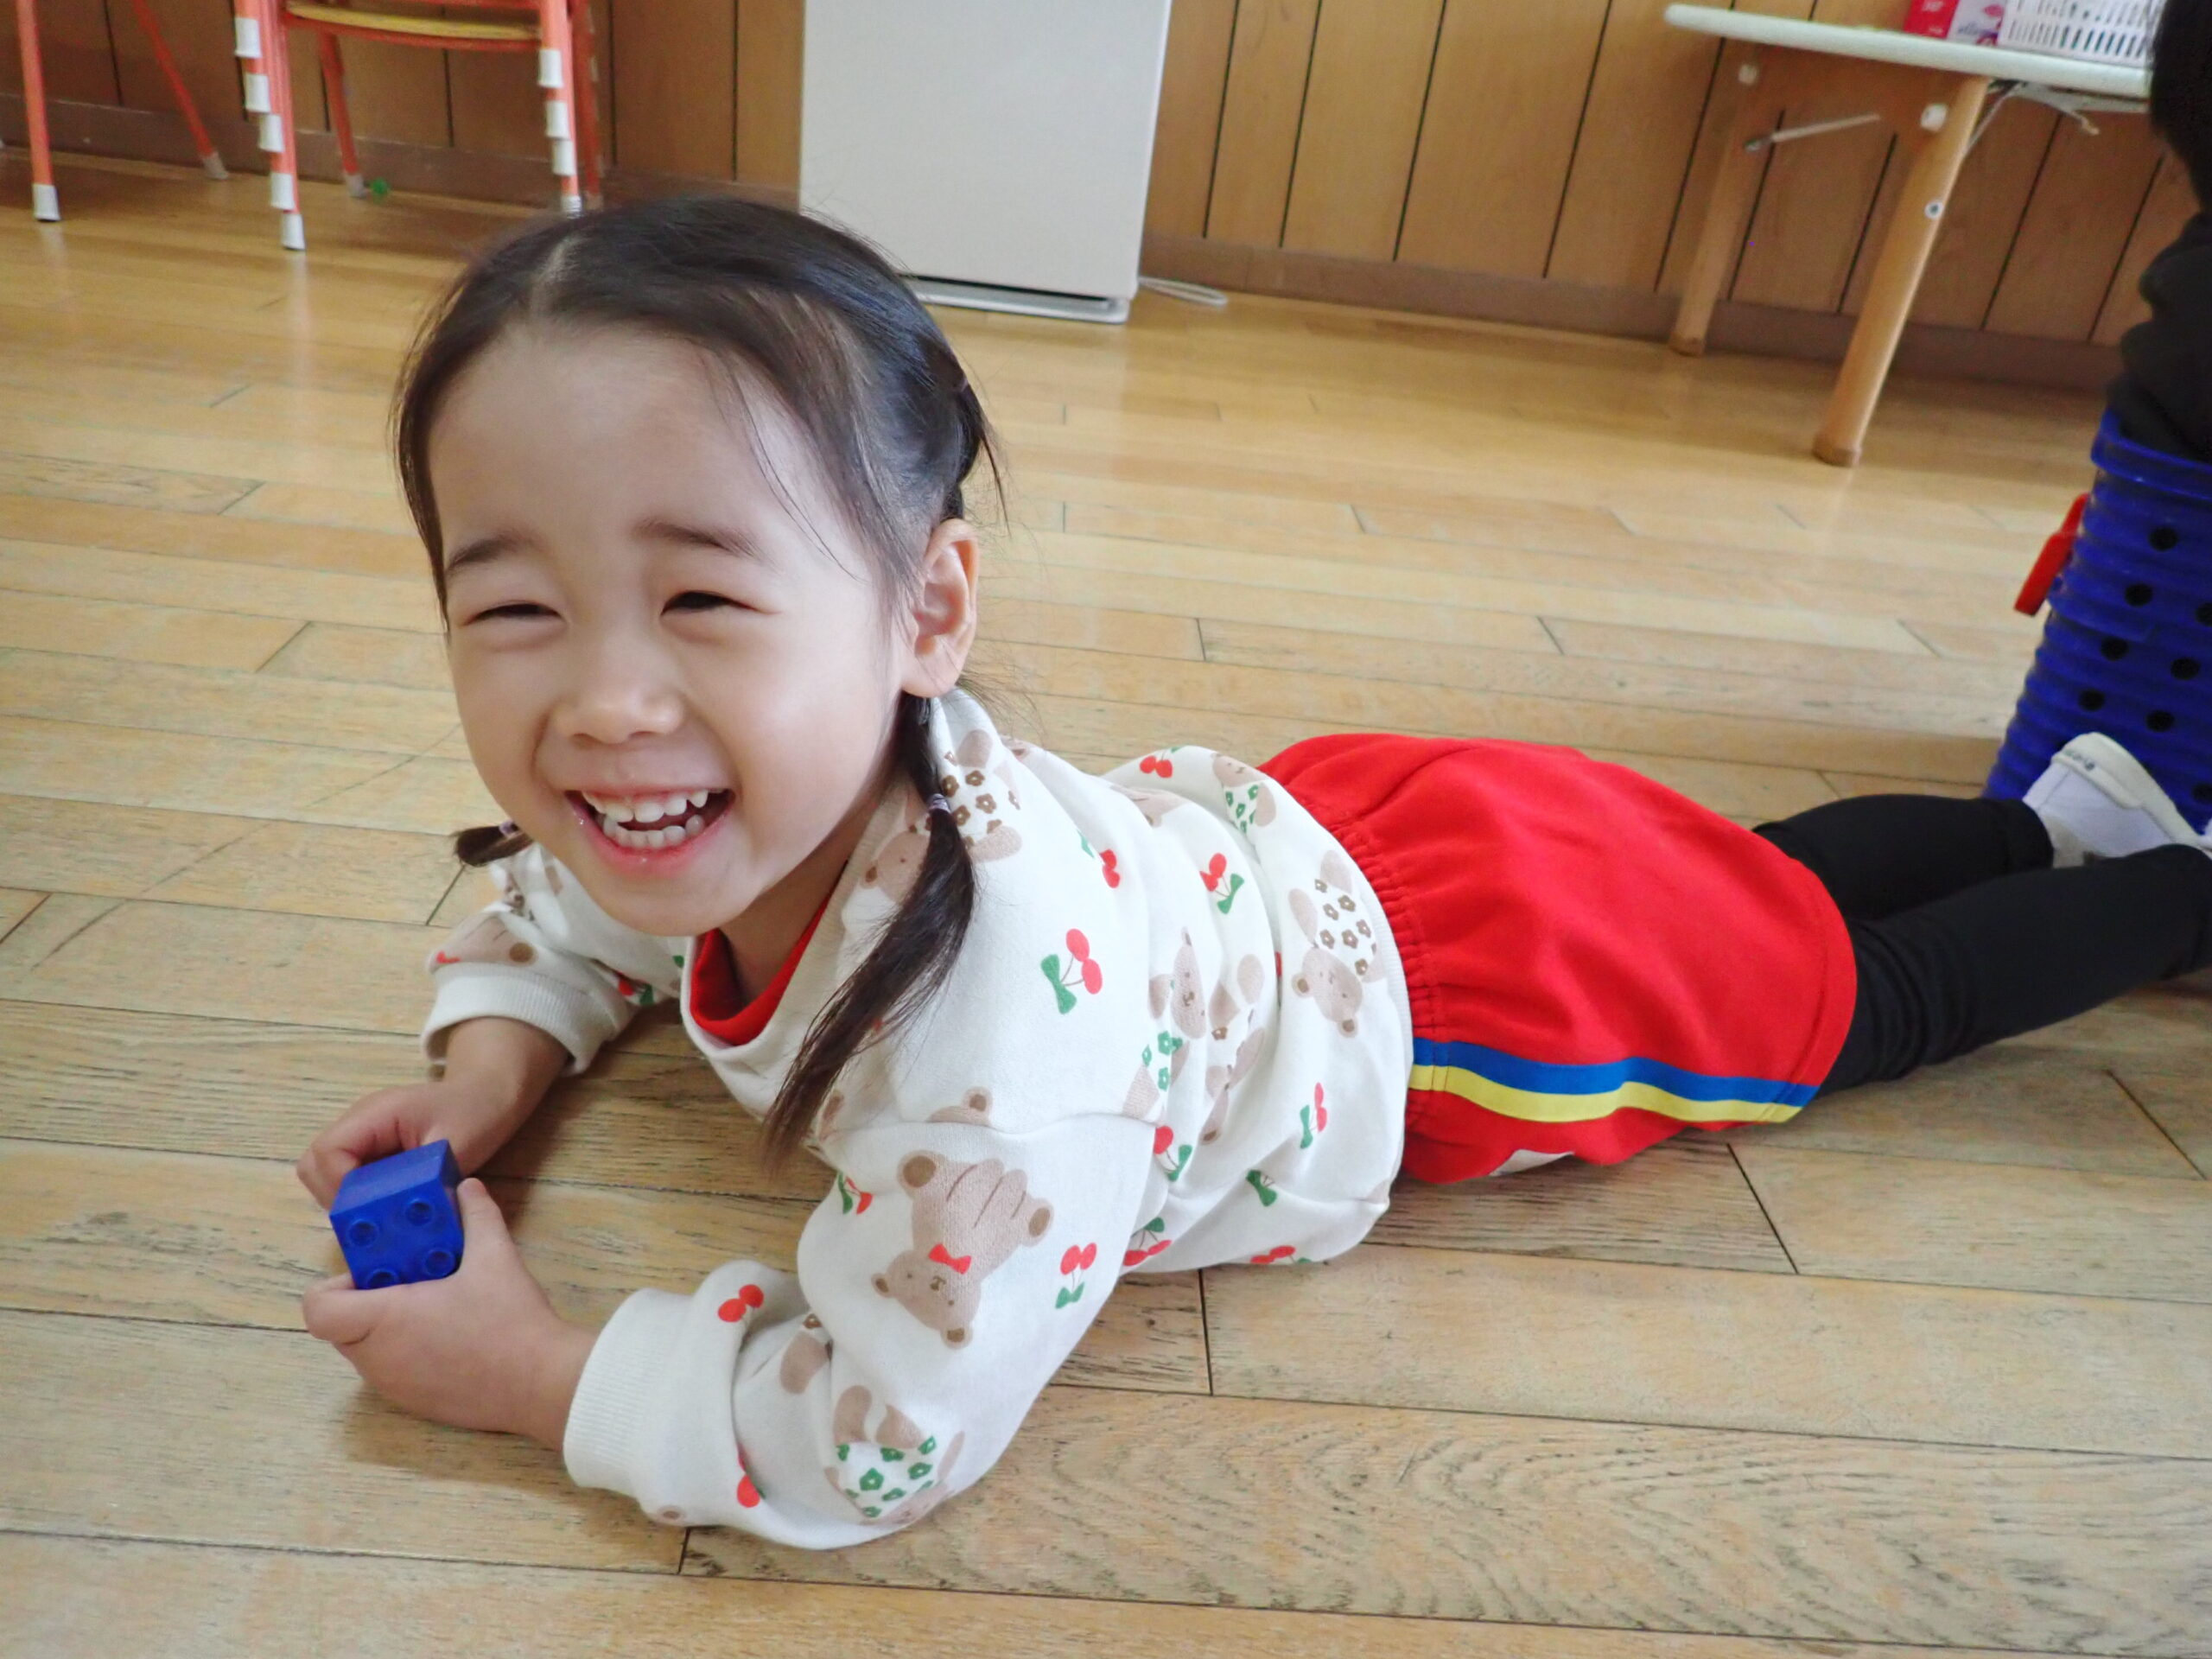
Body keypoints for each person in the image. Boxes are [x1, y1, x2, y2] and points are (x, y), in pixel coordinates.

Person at [296, 195, 2212, 1548]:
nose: (606, 705)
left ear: (926, 612)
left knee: (1862, 998)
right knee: (1744, 874)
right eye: (514, 605)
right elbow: (581, 902)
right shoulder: (732, 802)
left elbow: (884, 1437)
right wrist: (493, 1065)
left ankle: (2168, 879)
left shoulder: (994, 1080)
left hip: (1475, 1002)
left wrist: (535, 1372)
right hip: (1357, 840)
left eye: (703, 598)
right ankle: (2056, 815)